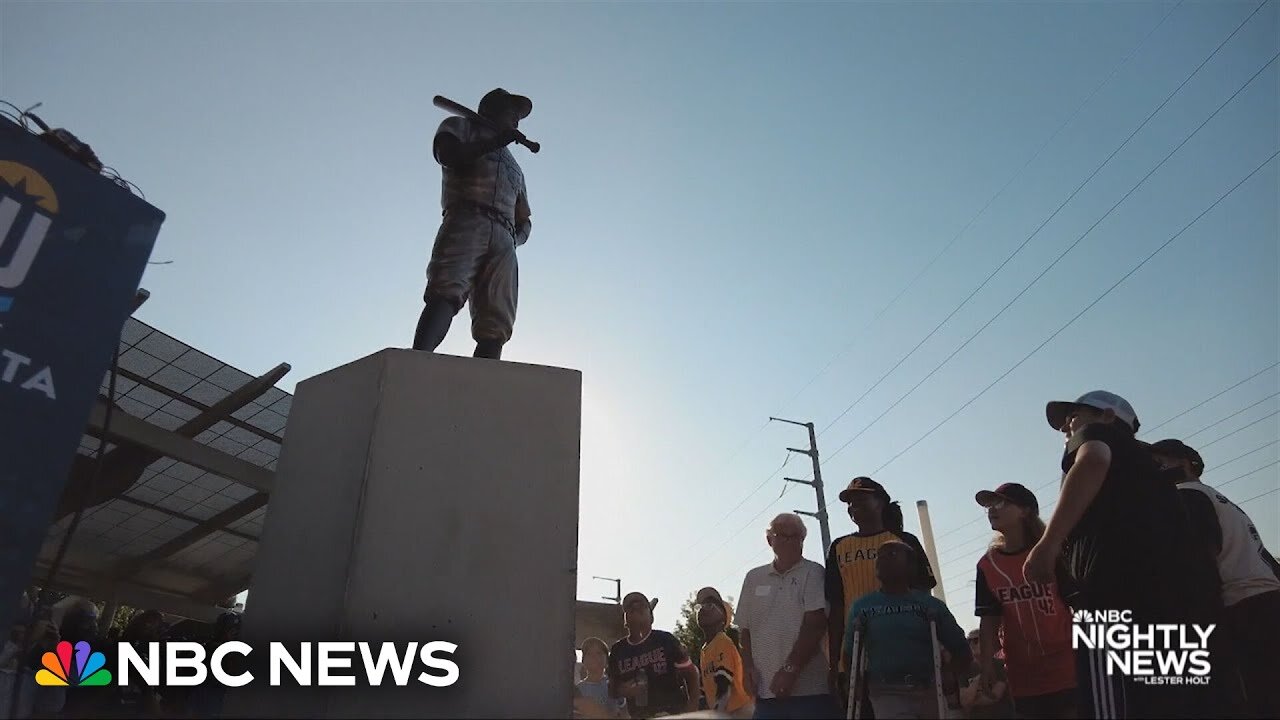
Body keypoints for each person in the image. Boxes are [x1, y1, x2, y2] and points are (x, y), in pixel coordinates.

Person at [1027, 390, 1223, 719]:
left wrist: (1048, 544)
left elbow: (1093, 459)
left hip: (1112, 599)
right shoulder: (1149, 470)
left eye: (1075, 415)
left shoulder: (1098, 435)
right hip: (1172, 605)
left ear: (1107, 417)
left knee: (1113, 706)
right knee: (1165, 703)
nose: (1067, 426)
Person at [1150, 437, 1280, 719]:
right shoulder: (1219, 499)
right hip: (1265, 601)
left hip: (1243, 608)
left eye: (1161, 460)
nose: (1156, 467)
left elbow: (1200, 560)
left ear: (1187, 463)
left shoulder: (1186, 494)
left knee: (1253, 700)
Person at [412, 87, 535, 360]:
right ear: (492, 110)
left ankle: (484, 383)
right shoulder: (459, 126)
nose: (516, 120)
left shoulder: (516, 168)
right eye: (511, 113)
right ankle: (417, 361)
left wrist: (515, 239)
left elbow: (524, 219)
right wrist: (495, 143)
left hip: (505, 237)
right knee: (446, 289)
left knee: (497, 317)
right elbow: (449, 156)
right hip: (467, 218)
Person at [827, 477, 937, 712]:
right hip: (857, 652)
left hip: (902, 648)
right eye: (850, 502)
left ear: (880, 502)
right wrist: (835, 665)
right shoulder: (839, 547)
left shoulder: (904, 541)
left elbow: (924, 594)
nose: (854, 506)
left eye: (861, 499)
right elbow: (836, 607)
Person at [972, 483, 1075, 719]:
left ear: (1025, 510)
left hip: (1067, 664)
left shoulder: (1052, 551)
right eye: (989, 505)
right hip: (1023, 673)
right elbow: (988, 620)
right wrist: (987, 665)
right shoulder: (988, 565)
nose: (992, 510)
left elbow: (1076, 604)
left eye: (1001, 503)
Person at [842, 540, 970, 720]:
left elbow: (960, 648)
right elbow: (850, 653)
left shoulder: (929, 605)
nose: (883, 559)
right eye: (880, 556)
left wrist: (950, 672)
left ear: (911, 566)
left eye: (892, 554)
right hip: (886, 691)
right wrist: (852, 681)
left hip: (929, 687)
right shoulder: (862, 607)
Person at [736, 513, 837, 720]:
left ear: (803, 539)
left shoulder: (813, 572)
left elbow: (815, 624)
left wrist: (790, 669)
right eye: (782, 535)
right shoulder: (753, 577)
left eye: (795, 536)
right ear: (769, 539)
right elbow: (744, 629)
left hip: (809, 692)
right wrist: (747, 668)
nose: (789, 541)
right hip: (765, 693)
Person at [608, 591, 701, 718]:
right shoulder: (617, 650)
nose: (636, 609)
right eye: (631, 608)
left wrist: (691, 710)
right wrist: (623, 690)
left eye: (642, 606)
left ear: (651, 617)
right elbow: (611, 688)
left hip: (671, 713)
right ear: (625, 620)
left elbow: (691, 674)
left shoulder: (666, 640)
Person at [696, 591, 752, 717]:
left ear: (723, 619)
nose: (703, 609)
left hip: (739, 709)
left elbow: (724, 683)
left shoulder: (722, 641)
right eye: (701, 606)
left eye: (710, 605)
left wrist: (717, 713)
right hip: (728, 710)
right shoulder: (705, 649)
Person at [959, 629, 1013, 719]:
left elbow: (995, 696)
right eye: (969, 641)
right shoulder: (965, 669)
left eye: (976, 640)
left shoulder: (999, 665)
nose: (971, 644)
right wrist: (978, 678)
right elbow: (964, 700)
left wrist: (972, 699)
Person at [576, 637, 625, 719]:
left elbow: (625, 713)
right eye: (589, 654)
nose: (594, 657)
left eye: (599, 653)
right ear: (583, 661)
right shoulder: (578, 690)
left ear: (607, 661)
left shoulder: (615, 685)